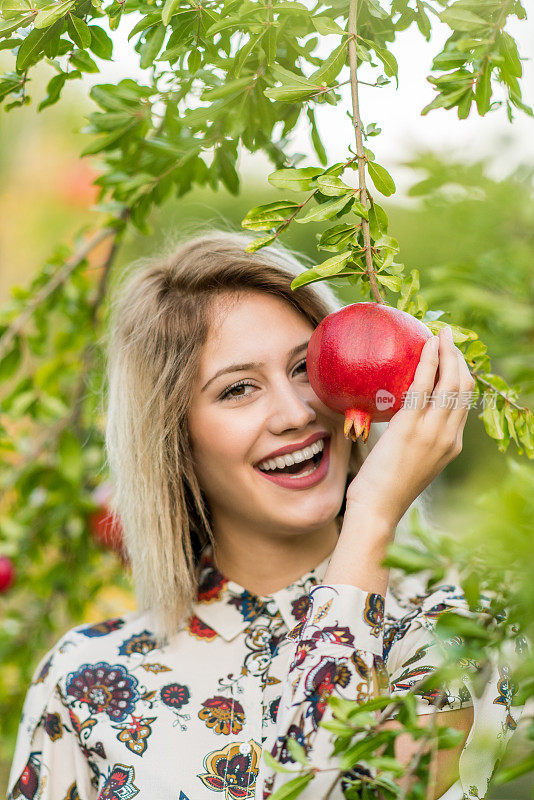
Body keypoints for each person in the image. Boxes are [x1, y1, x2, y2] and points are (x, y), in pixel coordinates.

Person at [7, 229, 523, 800]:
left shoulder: (460, 626)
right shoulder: (87, 681)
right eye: (238, 390)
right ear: (174, 440)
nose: (295, 411)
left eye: (306, 368)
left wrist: (374, 517)